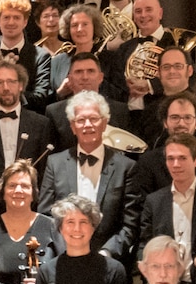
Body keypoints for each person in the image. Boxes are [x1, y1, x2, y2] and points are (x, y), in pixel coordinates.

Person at [38, 90, 141, 268]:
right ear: (72, 126)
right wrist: (67, 251)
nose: (87, 125)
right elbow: (46, 216)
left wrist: (106, 253)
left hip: (108, 263)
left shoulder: (126, 167)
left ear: (105, 123)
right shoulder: (55, 163)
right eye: (80, 120)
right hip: (63, 262)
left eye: (94, 119)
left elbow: (131, 224)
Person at [139, 134, 196, 279]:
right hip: (164, 282)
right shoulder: (154, 201)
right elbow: (145, 245)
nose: (175, 164)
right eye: (170, 159)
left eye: (182, 158)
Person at [0, 159, 62, 284]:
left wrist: (47, 283)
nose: (18, 190)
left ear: (33, 193)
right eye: (12, 185)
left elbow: (69, 269)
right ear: (3, 192)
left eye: (25, 186)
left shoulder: (52, 227)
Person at [0, 59, 59, 176]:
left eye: (11, 82)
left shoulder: (41, 124)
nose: (6, 88)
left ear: (20, 85)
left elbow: (44, 170)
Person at [143, 47, 196, 150]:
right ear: (158, 72)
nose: (172, 71)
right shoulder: (149, 110)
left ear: (189, 71)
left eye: (178, 66)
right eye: (166, 67)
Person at [44, 53, 131, 151]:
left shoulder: (120, 110)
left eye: (91, 71)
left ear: (100, 77)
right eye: (78, 72)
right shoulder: (54, 112)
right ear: (70, 78)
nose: (85, 77)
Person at [127, 91, 196, 198]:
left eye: (188, 118)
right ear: (165, 123)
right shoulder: (147, 163)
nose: (181, 123)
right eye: (175, 117)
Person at [0, 0, 53, 111]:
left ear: (25, 22)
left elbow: (40, 97)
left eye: (16, 17)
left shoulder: (40, 56)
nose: (11, 23)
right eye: (6, 17)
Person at [50, 4, 105, 100]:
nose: (80, 29)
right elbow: (46, 101)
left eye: (85, 24)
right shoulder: (57, 62)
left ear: (94, 27)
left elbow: (117, 94)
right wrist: (60, 92)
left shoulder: (110, 59)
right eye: (74, 25)